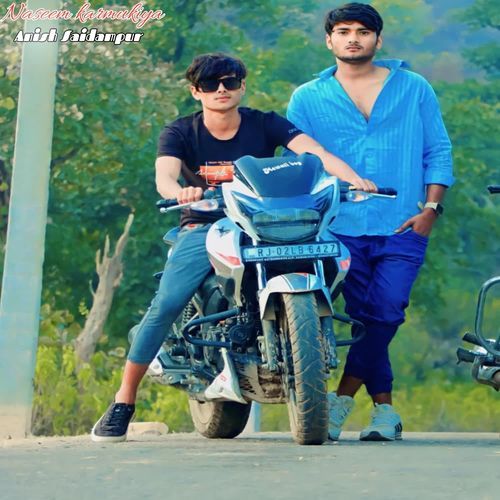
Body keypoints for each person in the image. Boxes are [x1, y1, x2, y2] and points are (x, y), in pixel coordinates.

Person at [91, 52, 376, 442]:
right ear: (196, 91)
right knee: (168, 302)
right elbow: (165, 177)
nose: (221, 90)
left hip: (268, 225)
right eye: (210, 84)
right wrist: (180, 192)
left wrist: (354, 179)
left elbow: (318, 155)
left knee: (339, 267)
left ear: (242, 86)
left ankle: (310, 335)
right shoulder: (180, 131)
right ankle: (123, 401)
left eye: (229, 82)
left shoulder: (266, 123)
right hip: (206, 223)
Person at [286, 3, 454, 441]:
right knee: (365, 316)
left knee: (387, 308)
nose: (353, 38)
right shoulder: (307, 97)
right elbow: (300, 163)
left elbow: (437, 150)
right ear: (329, 40)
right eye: (343, 31)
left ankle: (340, 399)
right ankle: (385, 413)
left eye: (363, 31)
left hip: (403, 223)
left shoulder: (413, 87)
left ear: (378, 39)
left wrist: (431, 210)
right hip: (339, 226)